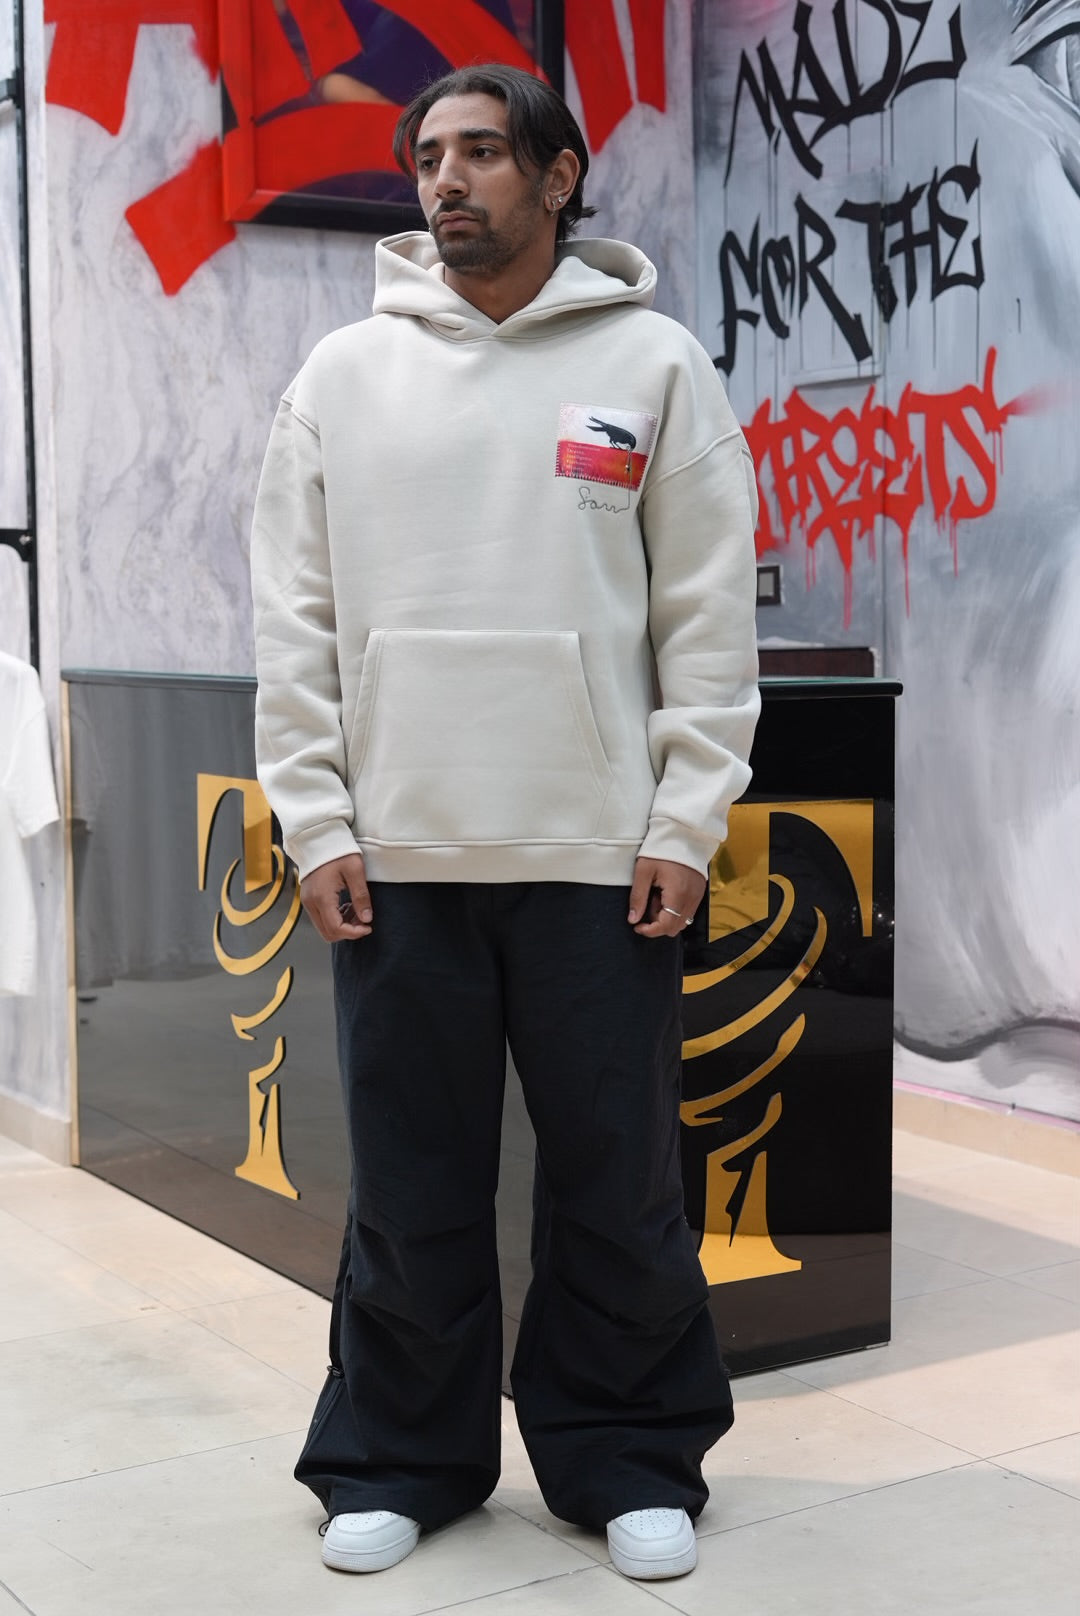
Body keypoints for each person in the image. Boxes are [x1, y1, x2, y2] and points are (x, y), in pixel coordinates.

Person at [250, 62, 760, 1582]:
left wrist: (683, 821)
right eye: (429, 156)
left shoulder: (654, 364)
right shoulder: (342, 375)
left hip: (601, 860)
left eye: (481, 151)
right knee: (411, 1187)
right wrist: (317, 822)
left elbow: (706, 618)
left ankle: (629, 1457)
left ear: (559, 174)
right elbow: (293, 621)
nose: (446, 180)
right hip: (398, 857)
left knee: (619, 1182)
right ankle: (399, 1457)